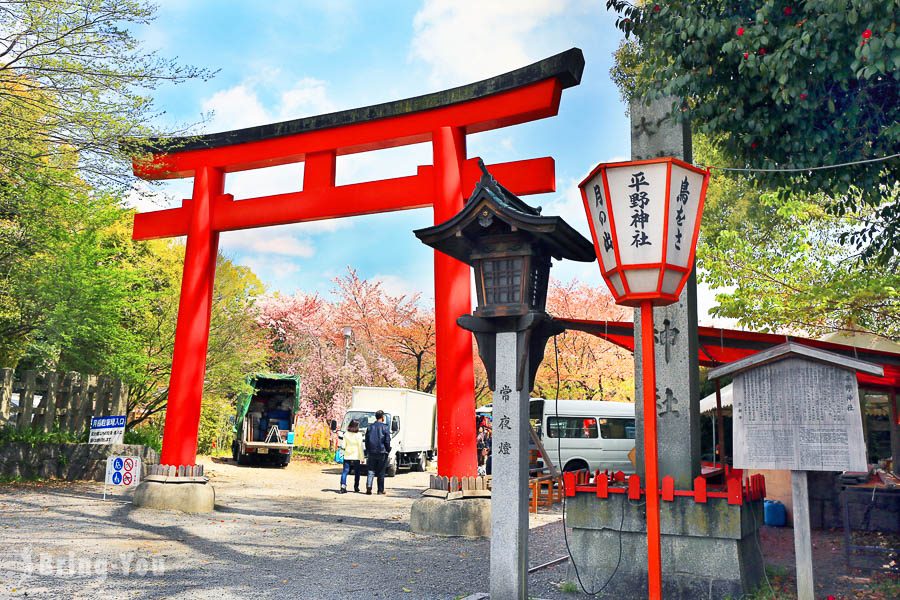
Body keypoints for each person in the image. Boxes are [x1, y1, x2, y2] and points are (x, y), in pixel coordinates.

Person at [364, 409, 391, 495]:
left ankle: (369, 486)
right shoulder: (385, 427)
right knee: (381, 472)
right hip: (382, 452)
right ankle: (380, 490)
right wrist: (388, 449)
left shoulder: (370, 427)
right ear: (382, 417)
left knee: (371, 470)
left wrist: (368, 450)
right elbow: (387, 441)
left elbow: (367, 440)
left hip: (371, 452)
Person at [339, 419, 363, 494]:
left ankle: (343, 487)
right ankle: (356, 487)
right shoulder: (358, 435)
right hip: (356, 456)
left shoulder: (346, 434)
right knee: (357, 472)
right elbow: (360, 447)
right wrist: (362, 457)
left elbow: (343, 446)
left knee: (345, 471)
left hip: (347, 455)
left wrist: (342, 453)